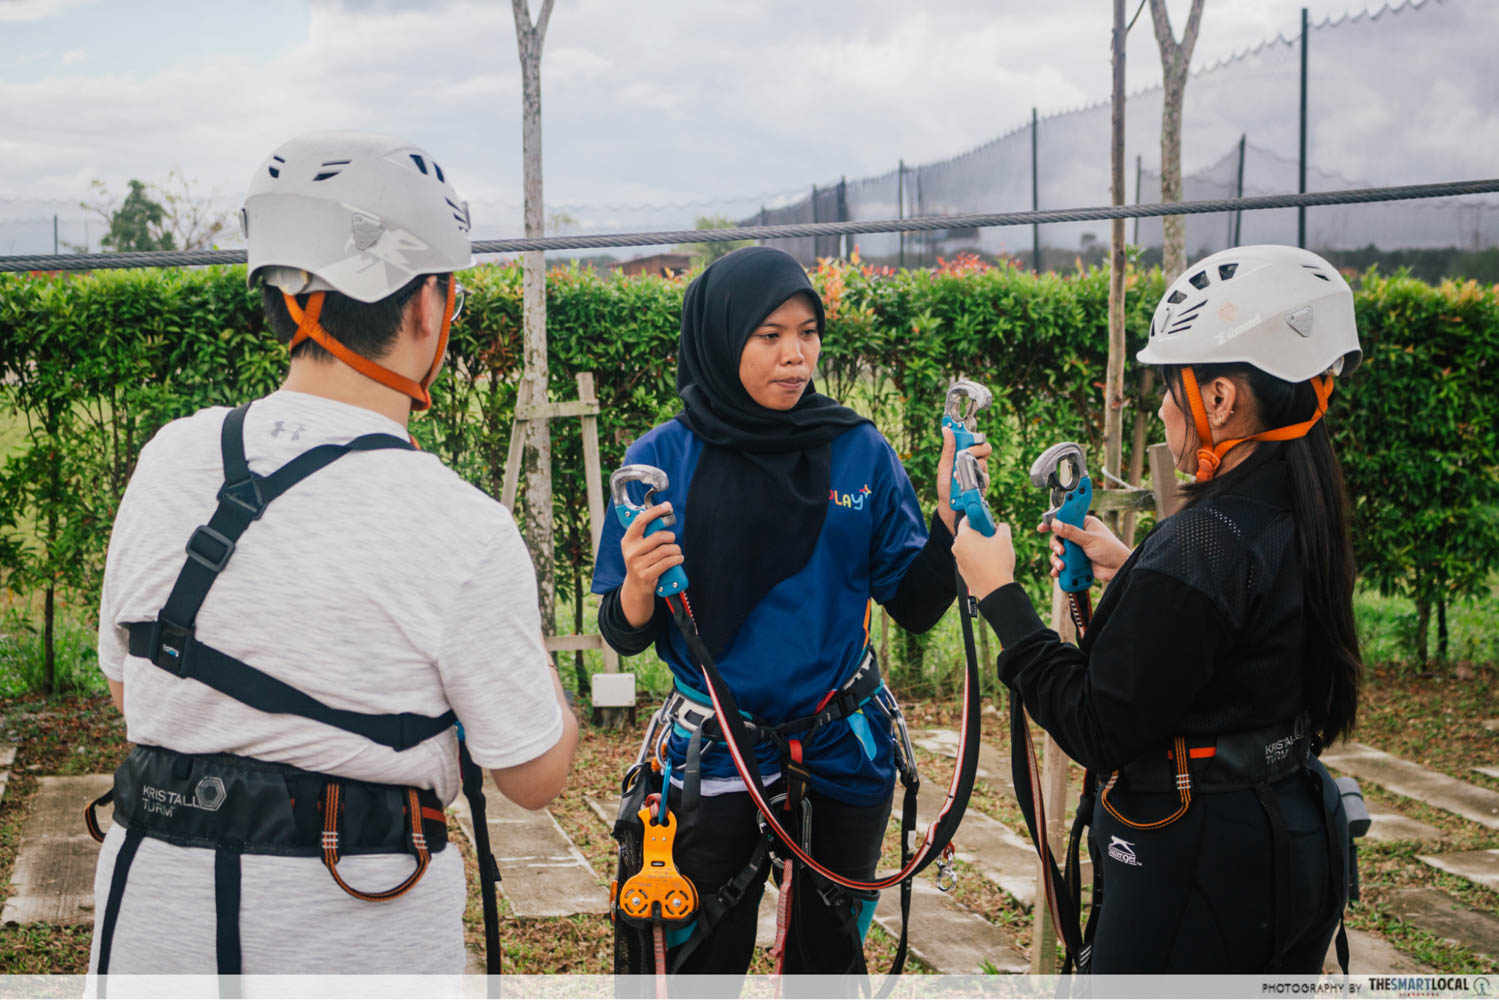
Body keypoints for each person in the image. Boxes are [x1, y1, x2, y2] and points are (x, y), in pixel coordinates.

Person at [89, 131, 577, 976]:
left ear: (281, 301)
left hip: (147, 924)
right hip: (356, 928)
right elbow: (532, 774)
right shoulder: (458, 524)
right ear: (429, 305)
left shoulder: (170, 455)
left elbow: (129, 681)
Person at [952, 244, 1361, 973]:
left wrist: (998, 595)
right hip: (1292, 832)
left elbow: (1097, 724)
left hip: (1195, 859)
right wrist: (1135, 570)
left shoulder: (1200, 543)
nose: (1164, 407)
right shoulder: (1296, 502)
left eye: (1169, 388)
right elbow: (1231, 635)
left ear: (1219, 399)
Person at [591, 245, 988, 975]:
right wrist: (640, 586)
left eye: (807, 333)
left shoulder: (857, 451)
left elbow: (915, 603)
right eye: (769, 335)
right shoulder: (661, 461)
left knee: (827, 962)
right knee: (695, 960)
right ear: (720, 336)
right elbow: (623, 630)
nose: (795, 355)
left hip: (839, 745)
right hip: (714, 756)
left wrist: (945, 514)